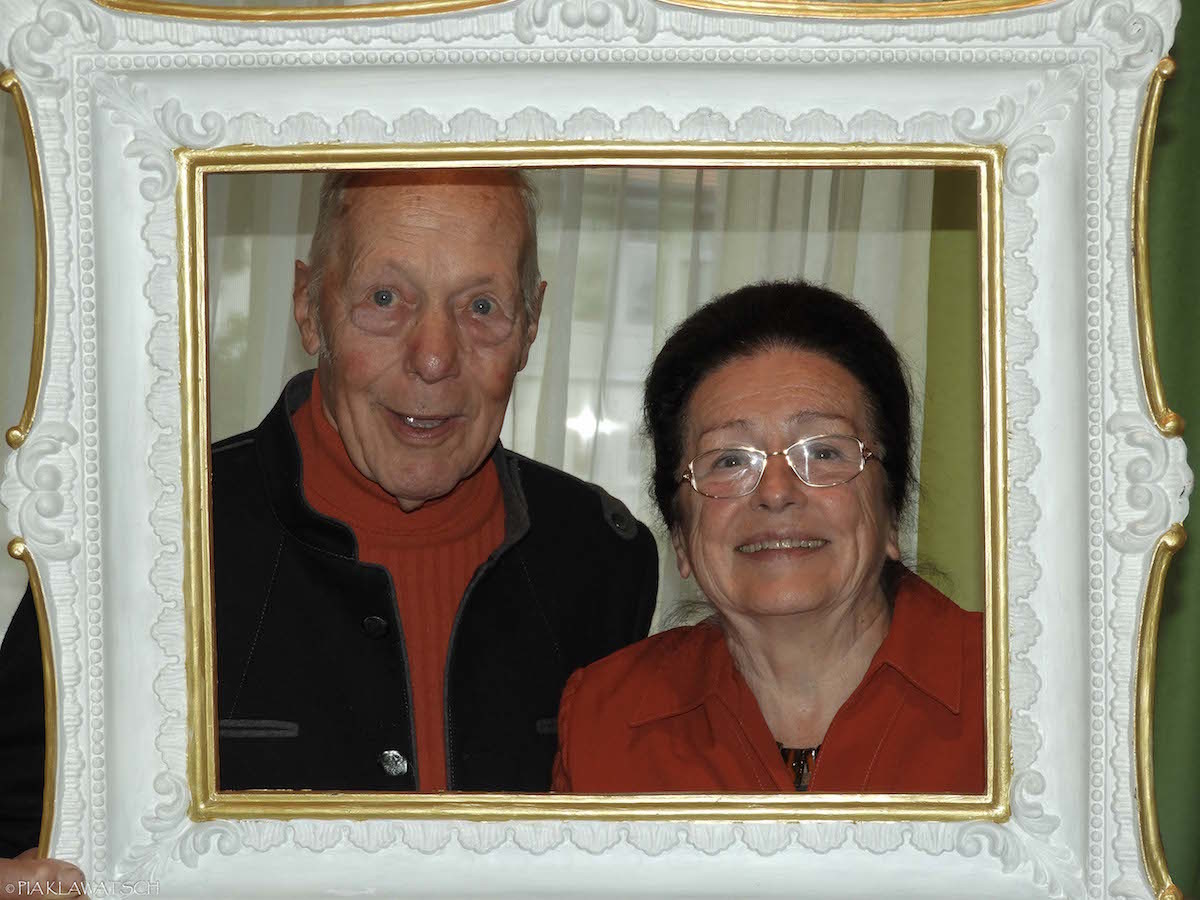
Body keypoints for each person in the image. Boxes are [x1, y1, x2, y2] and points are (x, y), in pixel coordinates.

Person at [0, 169, 659, 869]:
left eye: (481, 306)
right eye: (385, 298)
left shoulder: (602, 557)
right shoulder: (143, 535)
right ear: (309, 307)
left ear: (529, 325)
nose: (434, 357)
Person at [553, 280, 984, 794]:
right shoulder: (603, 719)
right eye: (729, 460)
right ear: (680, 536)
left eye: (823, 452)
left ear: (891, 509)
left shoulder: (1020, 688)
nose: (776, 493)